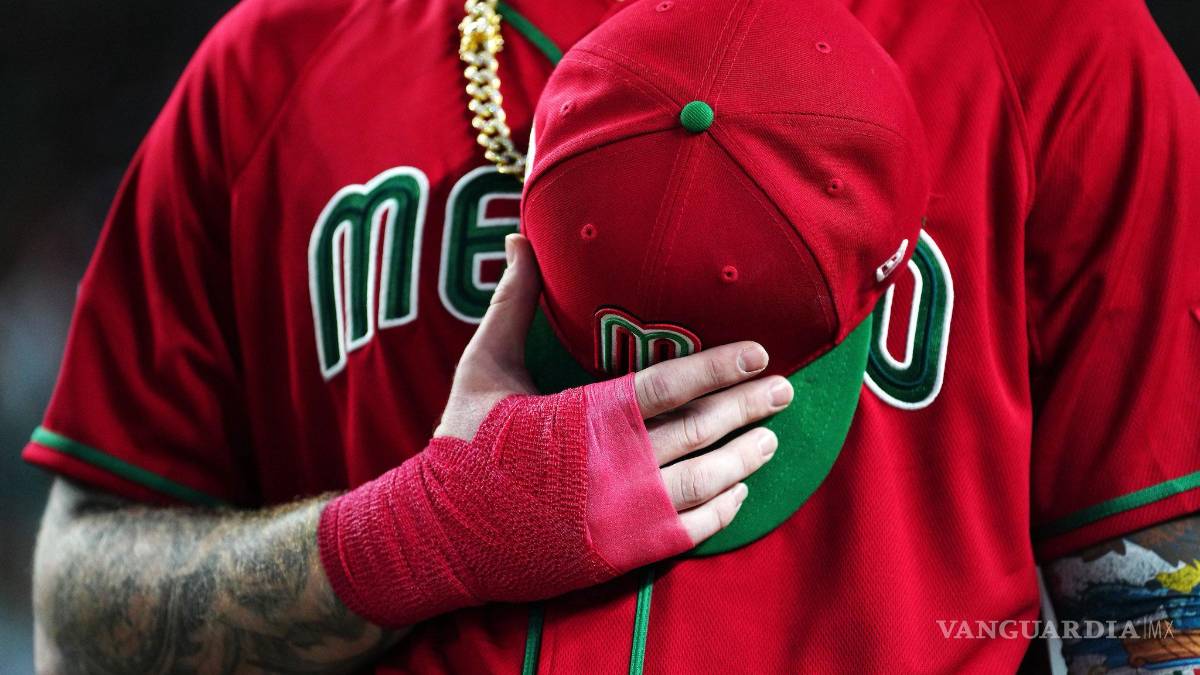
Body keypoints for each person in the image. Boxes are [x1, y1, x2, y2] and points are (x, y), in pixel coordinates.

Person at [26, 0, 1200, 673]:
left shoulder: (1053, 45)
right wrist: (403, 540)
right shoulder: (278, 62)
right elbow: (78, 621)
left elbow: (1162, 610)